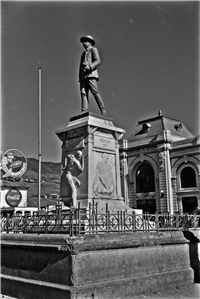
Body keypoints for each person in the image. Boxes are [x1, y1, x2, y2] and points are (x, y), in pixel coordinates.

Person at [79, 35, 106, 115]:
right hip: (83, 76)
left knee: (94, 91)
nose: (83, 43)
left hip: (91, 74)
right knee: (83, 93)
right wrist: (80, 77)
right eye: (83, 42)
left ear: (90, 42)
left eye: (85, 41)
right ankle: (84, 110)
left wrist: (90, 67)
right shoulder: (83, 54)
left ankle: (103, 109)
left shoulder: (94, 50)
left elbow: (98, 61)